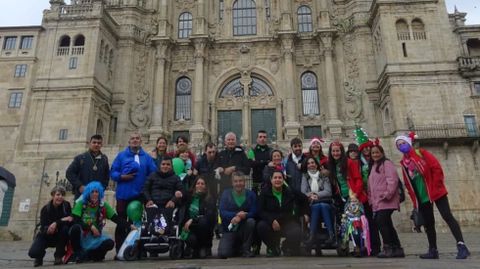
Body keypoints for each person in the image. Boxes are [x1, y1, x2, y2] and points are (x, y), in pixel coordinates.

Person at [395, 133, 470, 259]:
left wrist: (436, 185)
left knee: (447, 216)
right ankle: (433, 250)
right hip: (422, 196)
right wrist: (415, 201)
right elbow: (408, 184)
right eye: (399, 145)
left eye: (403, 143)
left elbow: (436, 168)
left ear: (409, 143)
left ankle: (461, 245)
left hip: (435, 191)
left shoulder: (421, 153)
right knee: (429, 223)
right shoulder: (404, 163)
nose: (402, 146)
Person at [110, 131, 157, 253]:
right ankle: (120, 249)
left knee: (138, 223)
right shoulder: (121, 156)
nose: (135, 140)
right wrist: (121, 177)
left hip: (139, 196)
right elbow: (113, 172)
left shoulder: (146, 157)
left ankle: (138, 249)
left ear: (140, 141)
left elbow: (153, 173)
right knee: (122, 222)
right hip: (123, 195)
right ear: (129, 141)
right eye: (132, 138)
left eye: (137, 138)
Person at [69, 181, 128, 262]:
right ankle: (78, 254)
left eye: (96, 192)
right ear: (88, 193)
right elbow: (76, 221)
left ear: (99, 193)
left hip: (95, 236)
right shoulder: (81, 203)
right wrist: (91, 227)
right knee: (75, 229)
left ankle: (91, 256)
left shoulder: (103, 205)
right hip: (83, 235)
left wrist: (129, 226)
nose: (94, 194)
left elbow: (116, 219)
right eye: (92, 192)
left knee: (110, 243)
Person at [256, 170, 309, 257]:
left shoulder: (291, 191)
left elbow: (304, 199)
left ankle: (286, 246)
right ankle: (273, 247)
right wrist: (272, 220)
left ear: (283, 179)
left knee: (296, 232)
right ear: (271, 179)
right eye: (275, 178)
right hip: (271, 222)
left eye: (280, 178)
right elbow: (260, 211)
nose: (277, 180)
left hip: (287, 220)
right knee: (261, 226)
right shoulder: (264, 193)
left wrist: (305, 213)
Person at [367, 144, 405, 258]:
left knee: (381, 222)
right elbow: (370, 185)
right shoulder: (373, 166)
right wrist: (371, 199)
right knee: (387, 223)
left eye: (377, 152)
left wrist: (387, 194)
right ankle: (397, 248)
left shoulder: (386, 163)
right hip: (378, 201)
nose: (375, 154)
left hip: (386, 200)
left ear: (382, 153)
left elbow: (392, 180)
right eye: (373, 153)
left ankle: (388, 247)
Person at [28, 186, 72, 267]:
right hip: (46, 235)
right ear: (53, 196)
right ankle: (39, 257)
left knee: (65, 229)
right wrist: (49, 228)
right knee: (33, 253)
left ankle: (58, 256)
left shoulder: (66, 206)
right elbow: (43, 226)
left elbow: (69, 220)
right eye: (58, 195)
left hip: (60, 235)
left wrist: (56, 223)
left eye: (62, 195)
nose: (60, 197)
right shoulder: (45, 209)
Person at [218, 172, 257, 258]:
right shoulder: (226, 194)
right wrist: (236, 215)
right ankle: (238, 248)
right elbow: (222, 212)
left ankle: (246, 249)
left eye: (241, 181)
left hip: (244, 229)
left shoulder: (251, 195)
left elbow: (254, 212)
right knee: (223, 254)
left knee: (251, 221)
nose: (238, 183)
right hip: (230, 230)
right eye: (236, 181)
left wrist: (243, 216)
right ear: (232, 183)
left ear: (244, 182)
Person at [300, 157, 334, 248]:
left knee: (322, 205)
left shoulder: (323, 176)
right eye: (309, 163)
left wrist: (316, 195)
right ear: (306, 166)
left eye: (313, 162)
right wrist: (310, 196)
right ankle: (312, 235)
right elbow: (303, 192)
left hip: (325, 202)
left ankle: (330, 235)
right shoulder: (305, 176)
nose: (311, 165)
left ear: (316, 164)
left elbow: (328, 191)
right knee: (317, 206)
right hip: (311, 203)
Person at [179, 176, 217, 258]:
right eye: (198, 183)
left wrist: (193, 220)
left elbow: (209, 216)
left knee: (203, 222)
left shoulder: (209, 199)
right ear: (194, 185)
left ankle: (203, 247)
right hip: (188, 228)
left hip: (203, 229)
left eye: (202, 184)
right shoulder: (188, 197)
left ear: (206, 186)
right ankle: (191, 247)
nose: (200, 185)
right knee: (190, 239)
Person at [66, 134, 110, 199]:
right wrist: (79, 186)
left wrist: (102, 188)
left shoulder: (104, 159)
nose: (96, 145)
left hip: (97, 196)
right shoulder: (80, 158)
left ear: (101, 145)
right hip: (82, 194)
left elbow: (106, 176)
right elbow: (69, 173)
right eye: (94, 142)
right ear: (90, 143)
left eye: (99, 143)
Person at [327, 141, 367, 207]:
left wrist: (355, 194)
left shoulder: (350, 162)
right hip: (343, 197)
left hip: (354, 196)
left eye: (337, 151)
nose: (335, 153)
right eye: (333, 151)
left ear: (341, 151)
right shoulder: (332, 165)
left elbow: (358, 179)